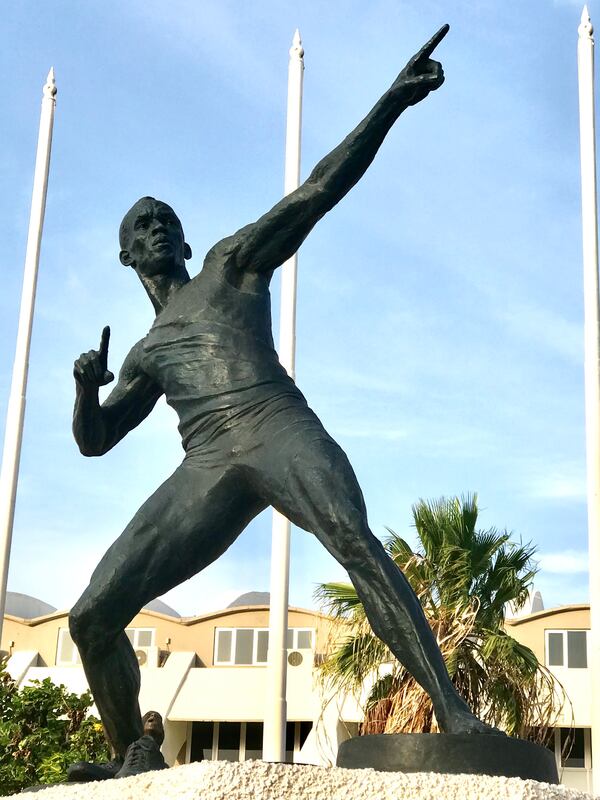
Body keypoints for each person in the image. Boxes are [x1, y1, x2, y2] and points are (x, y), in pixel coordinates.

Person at [69, 24, 494, 781]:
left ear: (187, 239)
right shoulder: (142, 353)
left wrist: (388, 104)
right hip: (206, 466)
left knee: (355, 542)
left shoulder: (231, 266)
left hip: (275, 423)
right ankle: (128, 751)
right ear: (125, 255)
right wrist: (82, 388)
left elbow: (317, 191)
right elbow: (97, 441)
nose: (156, 227)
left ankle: (453, 710)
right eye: (141, 225)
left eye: (165, 218)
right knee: (89, 616)